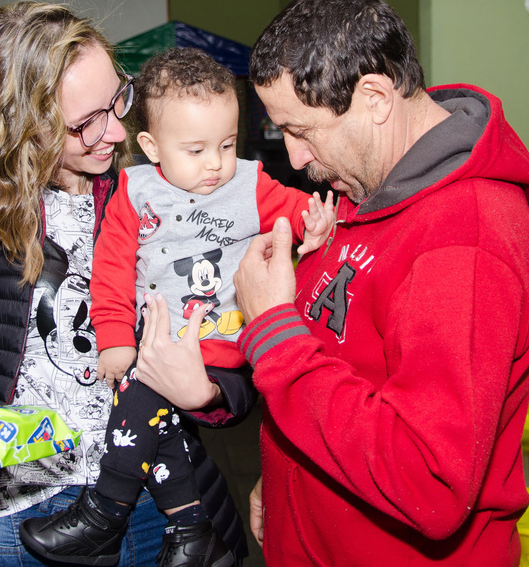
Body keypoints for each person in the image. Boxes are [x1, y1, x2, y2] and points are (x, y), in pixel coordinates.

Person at [233, 0, 529, 566]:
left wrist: (274, 333)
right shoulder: (365, 185)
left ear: (376, 97)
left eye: (301, 131)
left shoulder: (465, 239)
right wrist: (283, 478)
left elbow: (428, 481)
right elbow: (342, 358)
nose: (295, 158)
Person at [0, 5, 255, 567]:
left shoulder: (154, 197)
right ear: (22, 121)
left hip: (159, 501)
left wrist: (212, 394)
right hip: (26, 512)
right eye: (86, 122)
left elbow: (228, 328)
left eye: (118, 99)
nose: (116, 131)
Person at [19, 47, 333, 566]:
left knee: (138, 406)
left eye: (227, 144)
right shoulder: (134, 193)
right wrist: (117, 340)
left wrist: (314, 222)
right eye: (196, 149)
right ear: (151, 146)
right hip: (159, 348)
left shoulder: (248, 184)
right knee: (152, 422)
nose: (215, 164)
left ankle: (106, 510)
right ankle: (191, 531)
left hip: (225, 347)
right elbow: (112, 272)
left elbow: (295, 211)